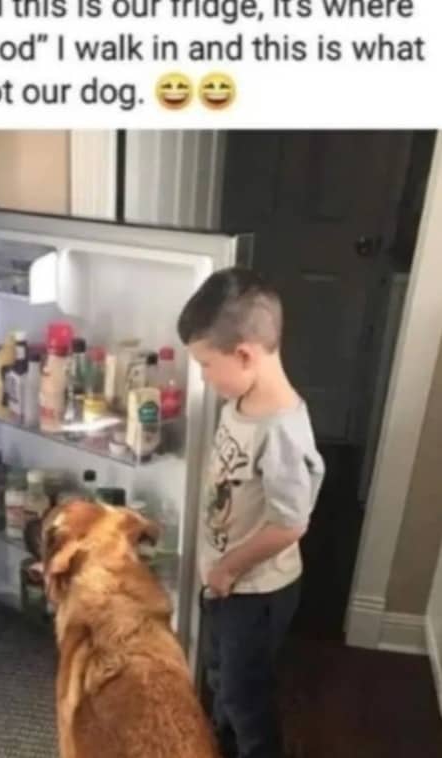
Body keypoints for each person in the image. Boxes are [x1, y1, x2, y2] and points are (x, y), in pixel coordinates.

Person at [178, 267, 325, 758]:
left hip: (257, 593)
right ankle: (218, 746)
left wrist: (227, 567)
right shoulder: (239, 401)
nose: (203, 376)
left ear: (244, 355)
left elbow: (290, 523)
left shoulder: (281, 431)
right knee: (220, 675)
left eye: (205, 364)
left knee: (246, 696)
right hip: (226, 584)